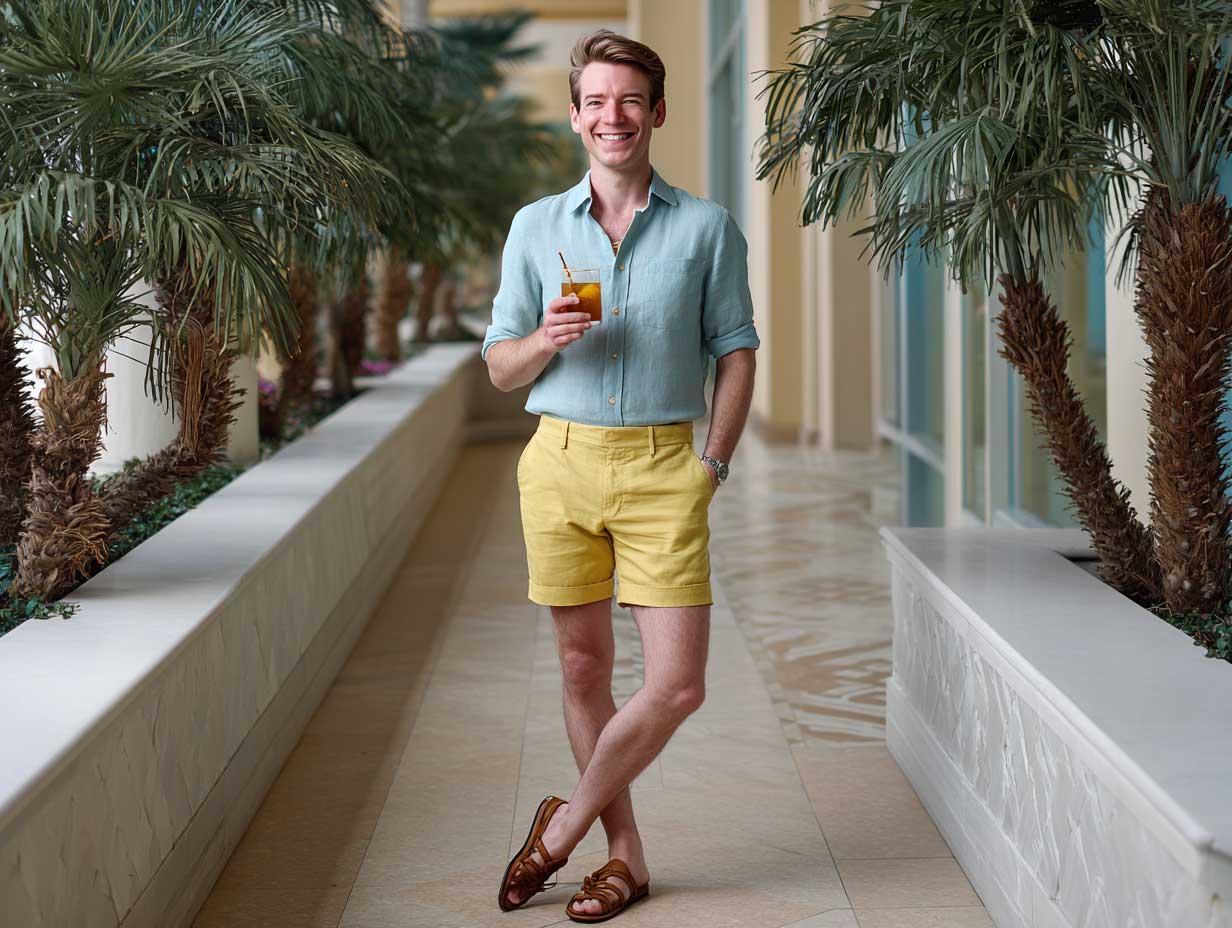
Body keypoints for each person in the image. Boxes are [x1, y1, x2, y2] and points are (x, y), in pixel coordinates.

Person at [481, 28, 759, 923]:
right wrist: (543, 341)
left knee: (678, 683)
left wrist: (711, 460)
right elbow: (498, 365)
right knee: (581, 666)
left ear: (658, 113)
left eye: (630, 100)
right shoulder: (534, 227)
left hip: (663, 464)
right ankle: (624, 858)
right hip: (559, 459)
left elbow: (736, 352)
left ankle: (556, 835)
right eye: (596, 100)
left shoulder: (707, 228)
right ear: (575, 115)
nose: (614, 116)